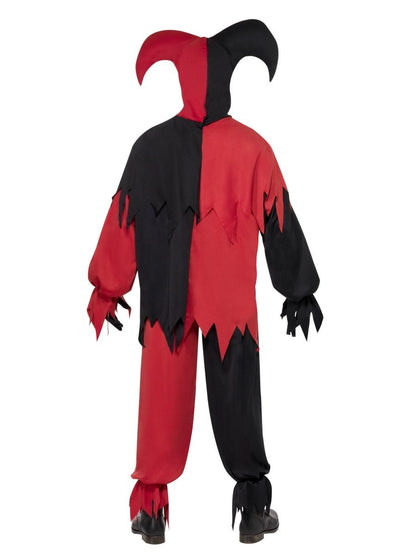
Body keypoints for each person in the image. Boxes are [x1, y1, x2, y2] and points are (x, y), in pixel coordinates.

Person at [87, 19, 323, 545]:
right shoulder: (252, 149)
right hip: (228, 301)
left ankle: (151, 510)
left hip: (165, 298)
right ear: (227, 77)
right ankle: (253, 509)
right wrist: (299, 288)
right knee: (237, 395)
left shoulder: (148, 148)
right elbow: (279, 220)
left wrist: (108, 286)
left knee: (161, 398)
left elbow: (122, 221)